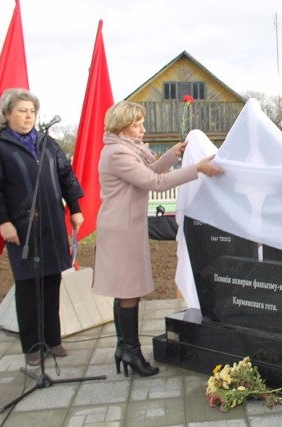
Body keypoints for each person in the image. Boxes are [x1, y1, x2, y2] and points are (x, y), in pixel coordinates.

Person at [92, 101, 223, 377]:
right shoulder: (118, 154)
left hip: (124, 225)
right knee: (129, 291)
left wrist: (172, 155)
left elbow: (149, 171)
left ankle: (124, 347)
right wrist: (197, 169)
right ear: (122, 128)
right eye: (137, 125)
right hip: (122, 229)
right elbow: (156, 183)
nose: (143, 129)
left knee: (124, 291)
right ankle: (131, 351)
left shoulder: (123, 149)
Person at [0, 88, 84, 366]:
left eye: (32, 111)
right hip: (22, 227)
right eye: (22, 111)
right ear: (6, 114)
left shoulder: (47, 142)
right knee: (28, 286)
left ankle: (53, 339)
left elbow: (66, 175)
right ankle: (33, 346)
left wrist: (75, 208)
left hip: (52, 223)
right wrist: (3, 222)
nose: (29, 116)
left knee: (52, 282)